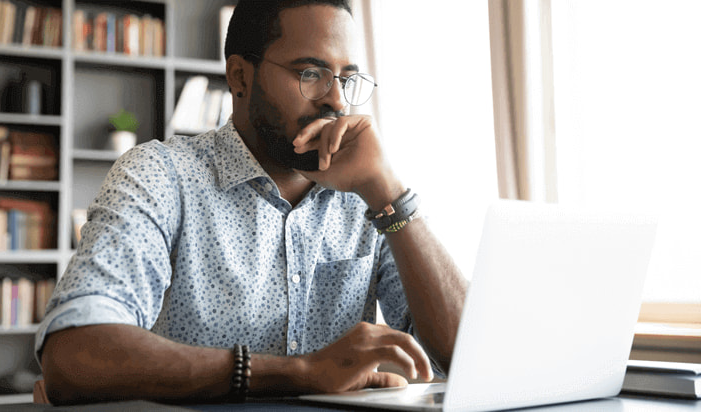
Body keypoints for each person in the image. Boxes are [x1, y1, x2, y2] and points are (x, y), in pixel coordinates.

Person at [37, 0, 468, 405]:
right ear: (240, 76)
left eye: (346, 78)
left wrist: (389, 193)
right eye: (311, 73)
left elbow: (468, 356)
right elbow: (75, 352)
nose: (336, 100)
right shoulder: (161, 175)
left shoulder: (368, 197)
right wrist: (298, 372)